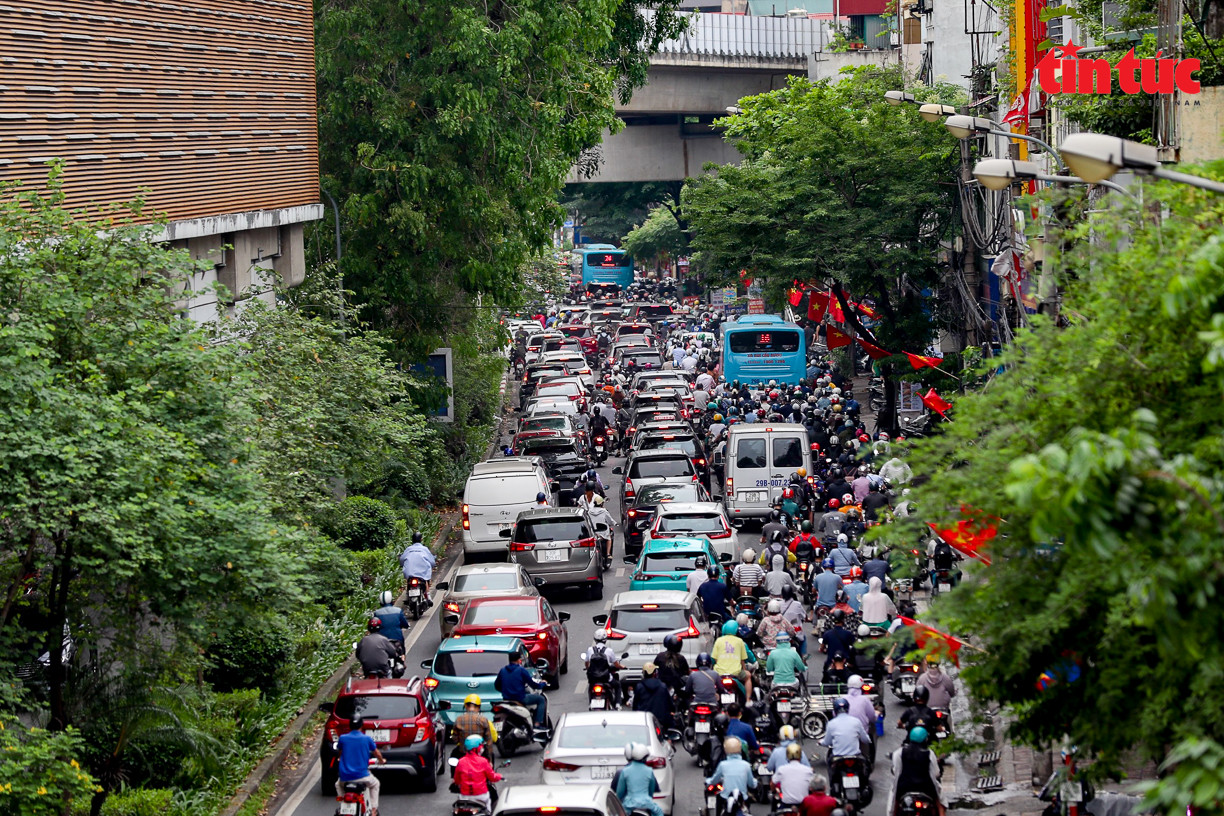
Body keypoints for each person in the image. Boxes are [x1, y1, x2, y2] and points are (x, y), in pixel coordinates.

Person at [887, 727, 945, 816]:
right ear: (926, 739)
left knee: (894, 804)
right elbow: (936, 773)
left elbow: (897, 771)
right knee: (940, 805)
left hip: (904, 788)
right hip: (926, 788)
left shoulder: (899, 752)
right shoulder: (929, 753)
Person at [335, 717, 384, 815]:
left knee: (337, 785)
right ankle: (373, 811)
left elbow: (340, 752)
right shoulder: (367, 739)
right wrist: (381, 760)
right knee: (375, 784)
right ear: (362, 726)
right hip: (362, 777)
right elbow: (376, 753)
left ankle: (343, 805)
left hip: (345, 778)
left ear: (350, 726)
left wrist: (339, 758)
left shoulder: (343, 738)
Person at [494, 652, 549, 731]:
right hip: (520, 699)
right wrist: (543, 684)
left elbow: (497, 685)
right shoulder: (521, 670)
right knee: (541, 699)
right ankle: (537, 724)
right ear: (519, 660)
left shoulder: (502, 670)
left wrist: (506, 691)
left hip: (506, 700)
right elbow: (533, 685)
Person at [455, 735, 502, 811]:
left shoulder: (461, 762)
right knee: (488, 807)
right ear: (477, 748)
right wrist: (499, 776)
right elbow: (492, 777)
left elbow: (457, 780)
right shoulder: (483, 761)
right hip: (481, 796)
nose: (482, 749)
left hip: (464, 797)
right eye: (481, 746)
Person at [616, 742, 664, 816]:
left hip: (628, 806)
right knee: (660, 813)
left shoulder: (625, 771)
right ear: (644, 758)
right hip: (647, 804)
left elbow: (620, 793)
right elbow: (651, 792)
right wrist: (647, 800)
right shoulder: (649, 771)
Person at [706, 736, 757, 807]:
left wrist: (708, 781)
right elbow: (752, 784)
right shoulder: (746, 765)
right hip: (743, 800)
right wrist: (755, 782)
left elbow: (714, 780)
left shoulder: (723, 765)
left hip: (725, 798)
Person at [713, 620, 757, 700]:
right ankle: (748, 700)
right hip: (736, 673)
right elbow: (743, 659)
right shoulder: (740, 642)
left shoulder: (718, 641)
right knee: (748, 676)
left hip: (719, 673)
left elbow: (713, 659)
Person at [819, 698, 870, 764]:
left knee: (830, 764)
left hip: (838, 757)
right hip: (855, 756)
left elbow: (827, 742)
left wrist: (821, 742)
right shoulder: (856, 721)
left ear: (835, 710)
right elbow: (865, 739)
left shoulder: (831, 723)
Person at [583, 630, 624, 708]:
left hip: (593, 678)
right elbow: (616, 664)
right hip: (606, 678)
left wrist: (588, 668)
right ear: (605, 639)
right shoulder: (609, 651)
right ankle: (618, 704)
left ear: (595, 639)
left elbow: (586, 663)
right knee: (617, 685)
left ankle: (590, 703)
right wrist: (622, 667)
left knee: (590, 687)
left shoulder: (590, 650)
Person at [633, 663, 675, 729]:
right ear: (655, 673)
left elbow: (635, 705)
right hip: (661, 720)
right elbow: (669, 704)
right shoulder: (662, 686)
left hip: (644, 719)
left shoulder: (639, 686)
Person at [399, 531, 436, 602]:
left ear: (412, 540)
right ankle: (428, 595)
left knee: (408, 581)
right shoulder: (425, 549)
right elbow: (432, 562)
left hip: (410, 572)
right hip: (422, 573)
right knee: (425, 579)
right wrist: (432, 565)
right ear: (421, 539)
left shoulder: (408, 549)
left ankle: (407, 595)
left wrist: (402, 564)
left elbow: (401, 560)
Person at [654, 634, 691, 699]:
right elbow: (687, 672)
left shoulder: (660, 656)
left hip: (662, 687)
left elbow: (654, 669)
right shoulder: (681, 658)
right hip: (676, 688)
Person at [778, 586, 807, 656]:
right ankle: (803, 657)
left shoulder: (778, 604)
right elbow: (804, 616)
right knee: (804, 638)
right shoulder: (797, 604)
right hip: (795, 632)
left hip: (781, 631)